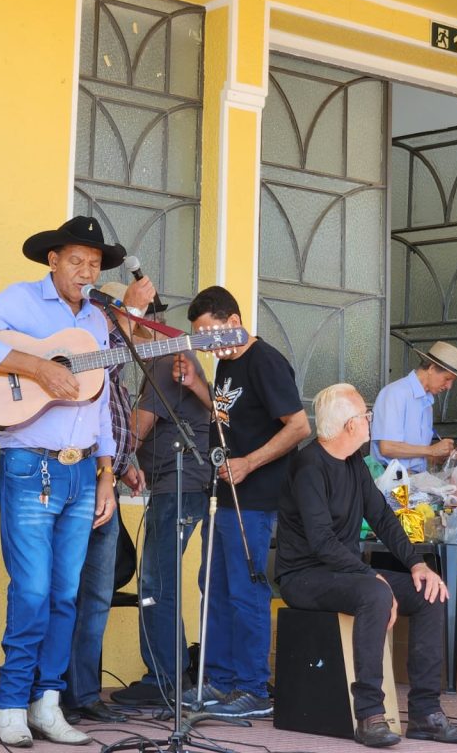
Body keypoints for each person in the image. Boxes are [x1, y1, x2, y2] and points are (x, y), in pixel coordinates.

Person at [0, 215, 123, 747]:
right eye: (76, 261)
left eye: (93, 264)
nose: (86, 271)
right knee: (32, 589)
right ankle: (10, 702)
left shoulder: (98, 322)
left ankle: (48, 702)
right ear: (53, 260)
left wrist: (107, 473)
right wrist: (38, 367)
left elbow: (102, 402)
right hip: (29, 465)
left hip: (80, 469)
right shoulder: (19, 300)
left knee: (66, 595)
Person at [276, 383, 457, 747]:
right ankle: (369, 715)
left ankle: (425, 713)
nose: (370, 421)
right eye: (365, 415)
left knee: (431, 594)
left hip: (345, 572)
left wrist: (418, 566)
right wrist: (373, 577)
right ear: (349, 425)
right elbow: (321, 542)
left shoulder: (353, 463)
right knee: (374, 593)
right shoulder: (308, 466)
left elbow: (384, 519)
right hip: (304, 576)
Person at [173, 285, 309, 718]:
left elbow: (299, 426)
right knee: (212, 586)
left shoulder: (264, 360)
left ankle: (251, 687)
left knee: (245, 591)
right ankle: (219, 681)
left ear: (234, 322)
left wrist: (249, 462)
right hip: (224, 497)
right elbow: (228, 411)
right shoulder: (226, 365)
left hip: (254, 497)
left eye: (212, 334)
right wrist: (198, 385)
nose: (208, 345)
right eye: (200, 338)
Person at [63, 279, 154, 724]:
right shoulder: (90, 351)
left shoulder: (115, 378)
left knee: (96, 595)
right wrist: (128, 313)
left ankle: (83, 693)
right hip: (73, 482)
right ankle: (56, 690)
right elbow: (102, 351)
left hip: (105, 484)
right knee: (64, 592)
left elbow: (110, 427)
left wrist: (123, 465)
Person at [109, 347, 211, 706]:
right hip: (171, 487)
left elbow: (134, 431)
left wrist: (110, 465)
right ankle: (171, 674)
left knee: (157, 580)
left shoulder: (167, 364)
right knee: (158, 577)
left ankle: (164, 679)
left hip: (178, 487)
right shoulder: (166, 365)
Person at [371, 341, 457, 474]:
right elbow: (387, 448)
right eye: (447, 379)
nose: (449, 386)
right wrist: (431, 450)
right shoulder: (396, 393)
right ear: (432, 369)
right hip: (391, 481)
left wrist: (442, 455)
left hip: (416, 480)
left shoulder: (427, 401)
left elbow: (417, 454)